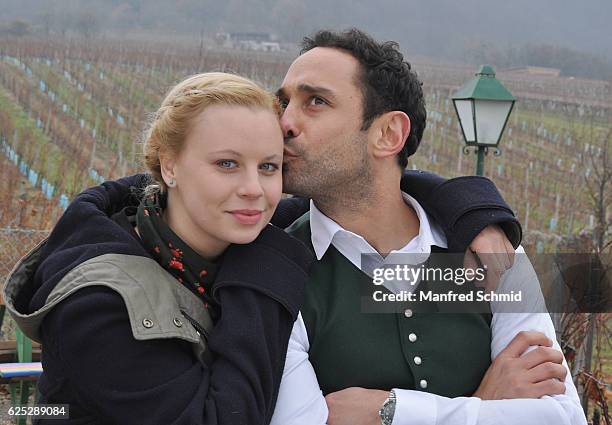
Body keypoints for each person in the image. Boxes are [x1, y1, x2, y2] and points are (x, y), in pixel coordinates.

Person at [267, 29, 586, 425]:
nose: (283, 122)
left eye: (315, 101)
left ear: (388, 134)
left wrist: (390, 412)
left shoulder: (494, 255)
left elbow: (560, 416)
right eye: (283, 103)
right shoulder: (276, 274)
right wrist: (485, 404)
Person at [3, 72, 317, 424]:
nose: (253, 188)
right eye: (226, 164)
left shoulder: (223, 228)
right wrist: (262, 275)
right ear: (170, 166)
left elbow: (340, 204)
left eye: (268, 167)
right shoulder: (97, 303)